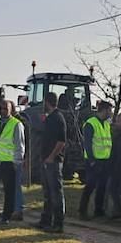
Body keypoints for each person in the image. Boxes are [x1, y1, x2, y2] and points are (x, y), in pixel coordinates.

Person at [0, 99, 25, 223]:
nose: (2, 111)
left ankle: (6, 216)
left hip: (9, 163)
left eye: (5, 109)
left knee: (9, 191)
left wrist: (17, 162)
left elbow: (20, 144)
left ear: (11, 109)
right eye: (0, 109)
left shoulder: (16, 124)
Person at [38, 91, 69, 233]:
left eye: (44, 102)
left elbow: (61, 141)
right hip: (46, 160)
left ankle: (58, 223)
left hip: (54, 161)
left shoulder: (58, 118)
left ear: (48, 102)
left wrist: (51, 157)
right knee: (48, 193)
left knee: (56, 193)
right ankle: (46, 220)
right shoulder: (50, 118)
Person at [78, 100, 113, 219]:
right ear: (103, 110)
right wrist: (92, 160)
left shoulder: (107, 124)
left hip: (105, 160)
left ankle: (99, 210)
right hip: (93, 161)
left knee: (102, 186)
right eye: (109, 110)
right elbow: (87, 143)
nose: (111, 113)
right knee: (90, 185)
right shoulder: (91, 123)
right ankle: (82, 211)